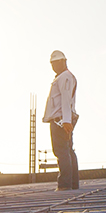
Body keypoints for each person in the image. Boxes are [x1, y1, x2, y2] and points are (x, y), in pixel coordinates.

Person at [42, 50, 79, 190]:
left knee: (61, 151)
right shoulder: (63, 77)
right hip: (63, 119)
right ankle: (73, 184)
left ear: (63, 62)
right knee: (68, 150)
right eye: (52, 64)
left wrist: (66, 121)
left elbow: (65, 99)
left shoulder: (65, 77)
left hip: (60, 120)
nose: (53, 67)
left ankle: (64, 184)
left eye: (55, 63)